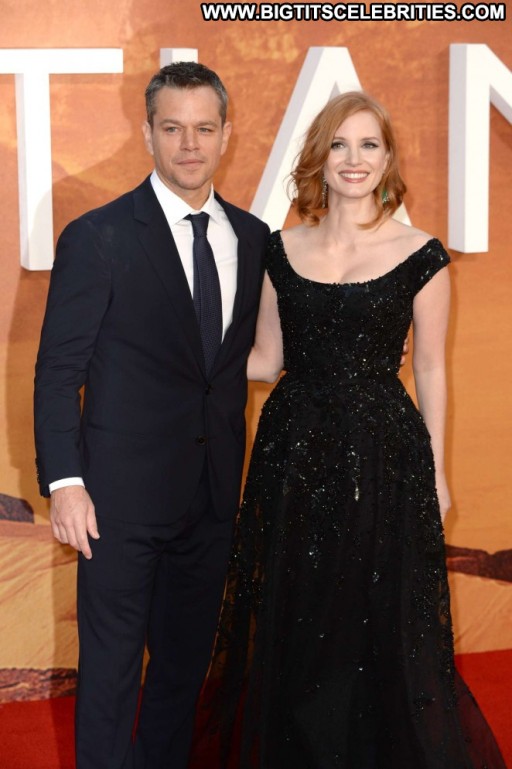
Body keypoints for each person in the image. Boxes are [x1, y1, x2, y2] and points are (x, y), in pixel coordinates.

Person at [195, 92, 507, 768]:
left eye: (369, 144)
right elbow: (266, 360)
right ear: (320, 157)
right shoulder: (281, 249)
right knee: (299, 614)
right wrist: (182, 353)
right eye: (340, 144)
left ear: (387, 159)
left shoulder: (421, 253)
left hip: (382, 457)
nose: (354, 159)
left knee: (373, 619)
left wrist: (437, 473)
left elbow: (430, 368)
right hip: (292, 454)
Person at [33, 62, 269, 769]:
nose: (189, 145)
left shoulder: (254, 237)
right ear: (147, 133)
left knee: (181, 674)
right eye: (172, 129)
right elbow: (58, 372)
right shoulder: (99, 235)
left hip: (211, 496)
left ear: (226, 134)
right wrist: (65, 482)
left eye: (203, 129)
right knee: (109, 677)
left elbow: (244, 360)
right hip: (116, 503)